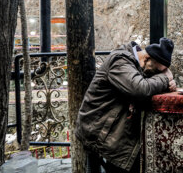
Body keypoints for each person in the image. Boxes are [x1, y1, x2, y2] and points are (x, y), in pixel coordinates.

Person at [75, 37, 177, 172]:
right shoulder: (120, 60)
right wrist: (164, 78)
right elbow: (140, 89)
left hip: (113, 128)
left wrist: (169, 84)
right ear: (146, 59)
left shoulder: (138, 64)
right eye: (156, 70)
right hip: (99, 130)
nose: (156, 75)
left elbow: (147, 86)